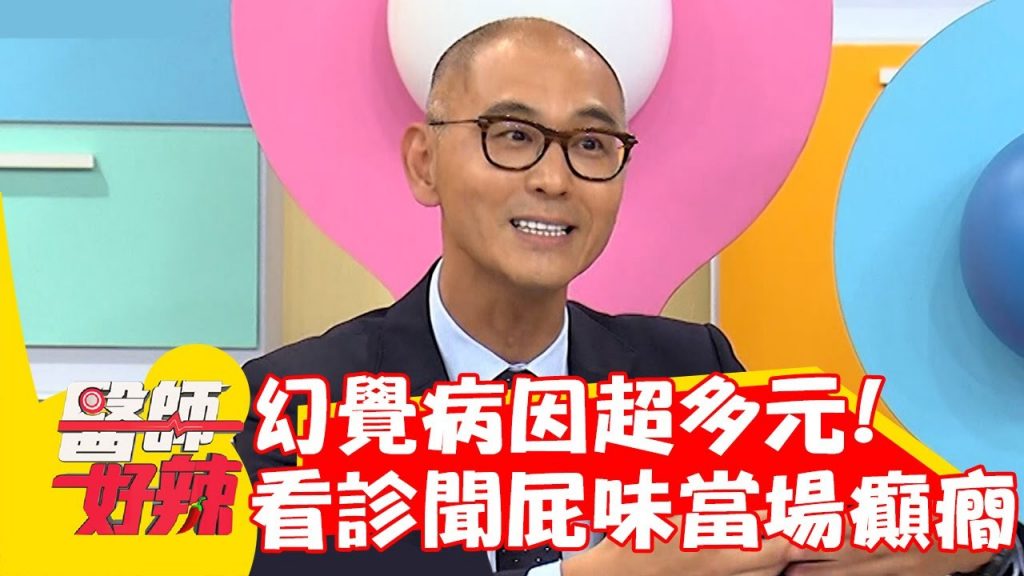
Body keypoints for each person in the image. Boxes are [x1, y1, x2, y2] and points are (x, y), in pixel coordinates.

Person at [236, 16, 1017, 576]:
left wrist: (969, 548)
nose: (554, 178)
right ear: (424, 162)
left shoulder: (692, 372)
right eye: (513, 135)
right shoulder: (288, 410)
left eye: (591, 144)